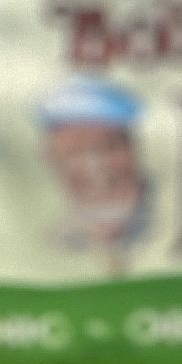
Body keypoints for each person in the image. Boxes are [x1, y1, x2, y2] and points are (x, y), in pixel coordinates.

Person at [37, 79, 151, 269]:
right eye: (74, 153)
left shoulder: (170, 210)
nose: (94, 165)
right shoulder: (53, 236)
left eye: (107, 147)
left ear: (132, 149)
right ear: (52, 159)